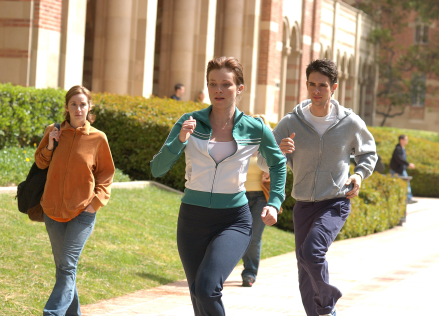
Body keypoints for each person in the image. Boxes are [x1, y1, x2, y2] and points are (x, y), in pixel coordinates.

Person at [151, 56, 287, 316]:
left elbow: (278, 164)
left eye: (226, 84)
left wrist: (275, 202)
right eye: (213, 84)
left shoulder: (255, 127)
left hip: (233, 220)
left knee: (207, 288)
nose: (218, 90)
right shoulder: (190, 121)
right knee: (197, 294)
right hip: (192, 218)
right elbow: (157, 168)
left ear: (239, 88)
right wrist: (179, 140)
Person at [261, 59, 377, 316]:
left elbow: (368, 154)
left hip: (335, 202)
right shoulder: (292, 122)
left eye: (322, 86)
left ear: (333, 87)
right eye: (312, 84)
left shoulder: (350, 122)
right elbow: (262, 159)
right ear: (306, 85)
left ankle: (327, 300)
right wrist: (278, 152)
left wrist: (358, 176)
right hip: (303, 205)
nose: (316, 90)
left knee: (311, 252)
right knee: (304, 272)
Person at [35, 85, 115, 316]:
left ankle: (52, 313)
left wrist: (96, 203)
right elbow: (40, 163)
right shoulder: (54, 130)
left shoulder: (98, 138)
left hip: (82, 213)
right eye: (74, 104)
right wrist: (50, 145)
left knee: (67, 267)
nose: (78, 109)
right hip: (52, 211)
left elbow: (106, 174)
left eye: (83, 104)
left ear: (89, 107)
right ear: (67, 107)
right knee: (64, 270)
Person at [240, 114, 271, 288]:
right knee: (239, 235)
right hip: (240, 196)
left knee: (254, 237)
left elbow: (279, 168)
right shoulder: (240, 145)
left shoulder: (267, 149)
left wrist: (269, 173)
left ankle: (249, 273)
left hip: (260, 197)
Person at [390, 134, 416, 204]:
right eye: (406, 139)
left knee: (406, 183)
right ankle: (406, 198)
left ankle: (408, 198)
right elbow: (399, 159)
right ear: (401, 140)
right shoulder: (398, 149)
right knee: (394, 184)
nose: (407, 141)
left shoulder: (402, 148)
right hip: (396, 170)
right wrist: (408, 164)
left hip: (401, 170)